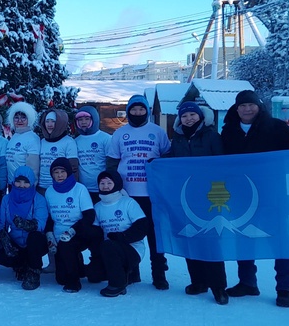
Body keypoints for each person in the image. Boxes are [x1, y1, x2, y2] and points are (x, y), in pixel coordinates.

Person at [220, 90, 289, 308]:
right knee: (244, 237)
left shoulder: (276, 127)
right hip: (242, 194)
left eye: (251, 105)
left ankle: (285, 289)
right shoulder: (228, 131)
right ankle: (247, 283)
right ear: (236, 108)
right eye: (242, 105)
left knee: (280, 239)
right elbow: (217, 160)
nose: (247, 109)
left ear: (259, 106)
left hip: (273, 192)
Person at [163, 101, 228, 304]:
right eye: (184, 116)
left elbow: (222, 162)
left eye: (192, 114)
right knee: (191, 236)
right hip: (186, 195)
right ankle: (199, 281)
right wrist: (157, 162)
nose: (188, 118)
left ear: (200, 116)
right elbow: (173, 159)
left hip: (209, 195)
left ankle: (218, 287)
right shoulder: (178, 138)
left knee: (211, 239)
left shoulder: (211, 135)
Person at [108, 94, 172, 289]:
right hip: (128, 194)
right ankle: (131, 271)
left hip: (152, 193)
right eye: (133, 110)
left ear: (147, 111)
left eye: (141, 109)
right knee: (129, 234)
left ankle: (159, 274)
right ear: (128, 111)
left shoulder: (157, 131)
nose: (137, 113)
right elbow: (112, 162)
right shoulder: (119, 133)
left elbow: (167, 158)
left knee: (154, 235)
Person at [46, 157, 101, 293]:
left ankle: (74, 282)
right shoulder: (49, 192)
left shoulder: (79, 189)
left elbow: (89, 216)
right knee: (60, 279)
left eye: (62, 172)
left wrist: (72, 231)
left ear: (69, 172)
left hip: (78, 232)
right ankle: (77, 265)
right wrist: (49, 234)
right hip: (59, 234)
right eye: (56, 172)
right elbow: (49, 218)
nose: (59, 175)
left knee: (68, 247)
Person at [93, 170, 149, 298]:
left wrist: (123, 237)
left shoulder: (128, 202)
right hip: (109, 249)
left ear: (117, 184)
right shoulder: (97, 207)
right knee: (94, 274)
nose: (105, 186)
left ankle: (118, 285)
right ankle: (129, 273)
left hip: (132, 249)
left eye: (109, 182)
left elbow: (142, 226)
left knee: (109, 246)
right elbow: (96, 232)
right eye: (102, 183)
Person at [0, 166, 49, 290]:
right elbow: (1, 225)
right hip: (16, 243)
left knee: (35, 237)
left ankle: (34, 272)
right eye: (18, 181)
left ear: (31, 183)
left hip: (34, 244)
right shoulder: (6, 199)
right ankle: (20, 264)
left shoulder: (39, 199)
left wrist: (25, 224)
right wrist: (5, 242)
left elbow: (40, 224)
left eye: (26, 182)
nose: (21, 185)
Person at [73, 106, 112, 201]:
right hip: (83, 190)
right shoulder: (75, 141)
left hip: (103, 188)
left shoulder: (106, 138)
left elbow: (111, 163)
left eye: (87, 119)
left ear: (94, 119)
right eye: (80, 119)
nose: (83, 122)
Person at [38, 109, 78, 191]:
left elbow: (73, 168)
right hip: (41, 187)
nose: (49, 124)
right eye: (47, 121)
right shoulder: (42, 142)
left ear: (60, 123)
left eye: (53, 121)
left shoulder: (68, 142)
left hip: (60, 187)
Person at [5, 103, 41, 188]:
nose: (19, 121)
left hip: (24, 185)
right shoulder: (14, 136)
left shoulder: (32, 138)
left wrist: (31, 185)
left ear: (29, 119)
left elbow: (33, 168)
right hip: (12, 184)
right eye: (16, 118)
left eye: (23, 118)